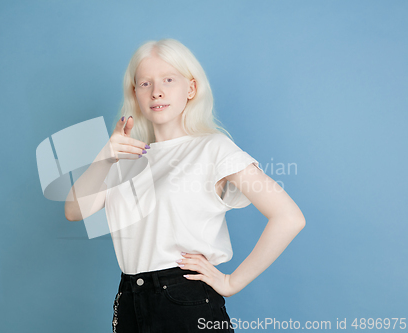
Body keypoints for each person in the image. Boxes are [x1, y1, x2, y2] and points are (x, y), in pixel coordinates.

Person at [65, 38, 306, 332]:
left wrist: (231, 282)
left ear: (191, 88)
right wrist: (106, 155)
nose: (157, 92)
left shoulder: (212, 148)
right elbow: (74, 210)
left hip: (184, 300)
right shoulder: (126, 158)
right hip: (130, 298)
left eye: (169, 79)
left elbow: (289, 217)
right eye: (145, 84)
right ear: (135, 93)